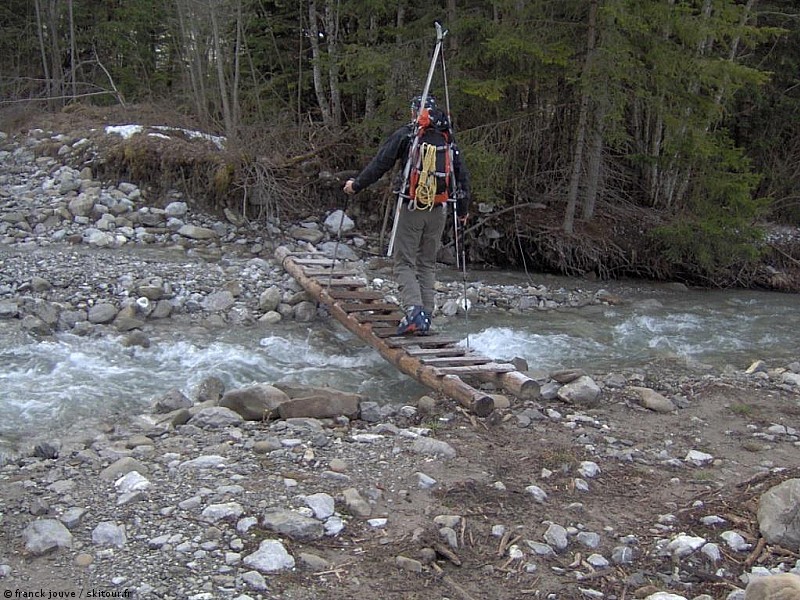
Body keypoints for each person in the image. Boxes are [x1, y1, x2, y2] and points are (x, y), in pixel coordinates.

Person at [343, 95, 471, 335]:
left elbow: (380, 163)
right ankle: (426, 315)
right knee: (426, 263)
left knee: (403, 262)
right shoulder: (448, 140)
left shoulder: (408, 135)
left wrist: (356, 185)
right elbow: (462, 179)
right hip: (439, 210)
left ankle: (414, 311)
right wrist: (462, 213)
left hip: (413, 208)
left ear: (416, 113)